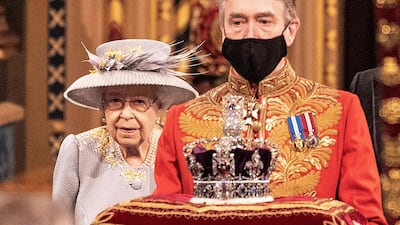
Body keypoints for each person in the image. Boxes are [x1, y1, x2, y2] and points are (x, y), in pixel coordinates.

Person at [153, 1, 387, 225]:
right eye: (237, 22)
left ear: (290, 30)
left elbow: (366, 219)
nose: (250, 33)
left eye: (264, 21)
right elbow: (162, 217)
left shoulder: (340, 109)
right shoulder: (182, 118)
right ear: (222, 30)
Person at [52, 39, 200, 225]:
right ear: (102, 106)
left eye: (139, 102)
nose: (126, 114)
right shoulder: (79, 151)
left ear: (160, 106)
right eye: (115, 101)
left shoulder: (179, 152)